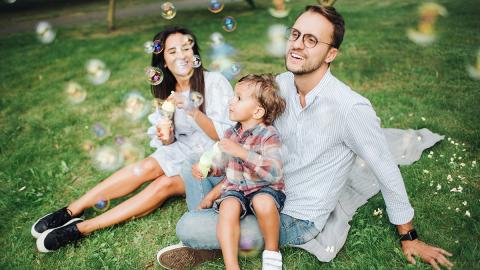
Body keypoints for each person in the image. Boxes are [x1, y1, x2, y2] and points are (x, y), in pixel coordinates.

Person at [156, 6, 454, 270]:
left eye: (311, 40)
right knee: (194, 163)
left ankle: (212, 240)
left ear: (331, 53)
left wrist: (410, 236)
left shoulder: (350, 108)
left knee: (188, 226)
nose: (297, 45)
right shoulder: (282, 85)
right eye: (295, 34)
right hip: (260, 186)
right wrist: (223, 179)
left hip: (294, 216)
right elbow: (254, 140)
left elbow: (386, 170)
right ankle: (223, 237)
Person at [32, 26, 234, 252]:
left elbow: (225, 136)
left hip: (213, 157)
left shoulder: (214, 82)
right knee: (147, 166)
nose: (181, 55)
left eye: (186, 48)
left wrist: (192, 110)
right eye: (173, 51)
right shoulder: (167, 90)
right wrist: (165, 136)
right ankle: (70, 211)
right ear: (164, 61)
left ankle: (81, 229)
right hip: (183, 148)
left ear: (194, 54)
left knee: (163, 184)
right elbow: (168, 141)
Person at [191, 74, 286, 270]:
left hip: (264, 188)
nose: (231, 101)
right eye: (234, 96)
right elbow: (226, 168)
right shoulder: (230, 134)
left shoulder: (268, 135)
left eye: (239, 98)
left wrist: (242, 152)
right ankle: (231, 265)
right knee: (228, 207)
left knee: (262, 201)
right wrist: (208, 170)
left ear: (258, 111)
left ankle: (272, 253)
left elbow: (274, 171)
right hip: (237, 189)